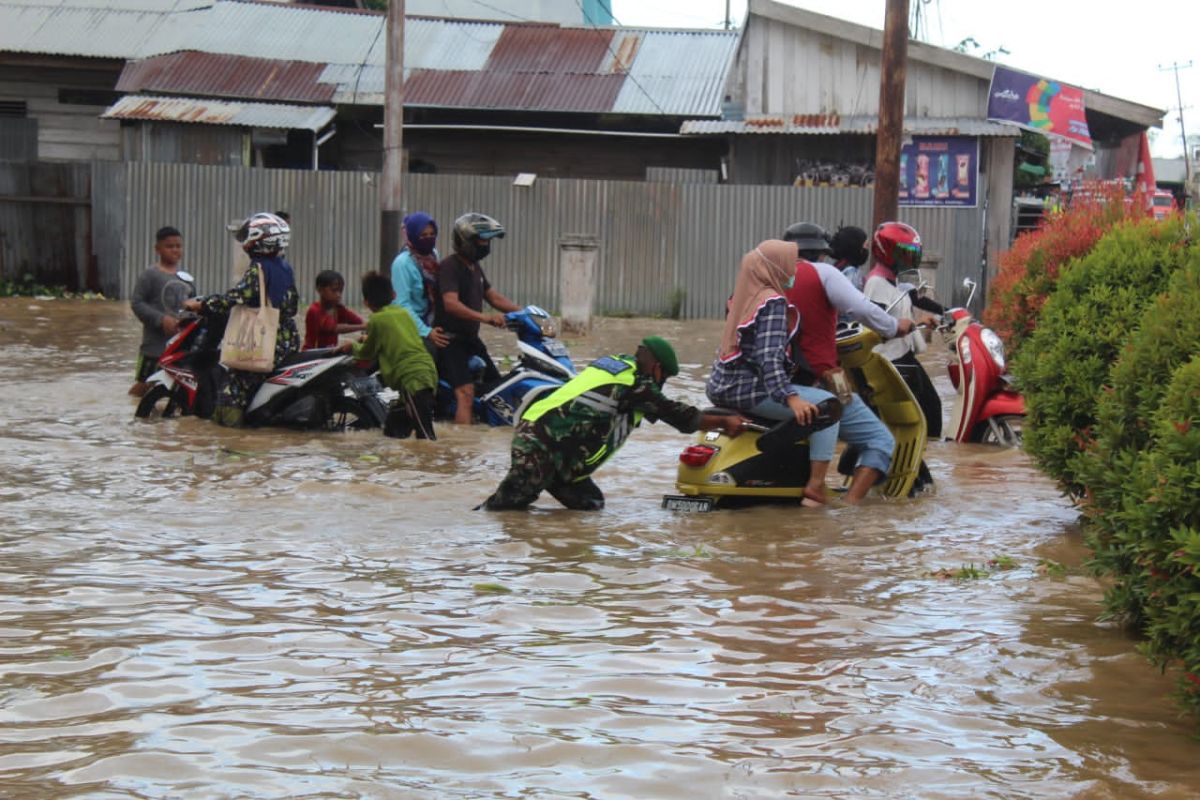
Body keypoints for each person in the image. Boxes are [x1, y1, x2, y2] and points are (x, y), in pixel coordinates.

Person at [481, 337, 748, 511]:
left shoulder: (619, 366)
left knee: (589, 504)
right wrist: (724, 422)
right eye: (663, 376)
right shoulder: (635, 386)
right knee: (504, 511)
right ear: (655, 367)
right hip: (540, 445)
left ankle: (558, 548)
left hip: (559, 452)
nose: (660, 383)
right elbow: (680, 417)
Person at [782, 221, 917, 504]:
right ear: (821, 253)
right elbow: (860, 308)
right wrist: (895, 327)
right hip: (818, 376)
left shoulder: (772, 274)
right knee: (879, 438)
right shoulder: (825, 273)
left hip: (766, 380)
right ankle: (850, 508)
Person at [705, 240, 836, 508]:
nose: (794, 271)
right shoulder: (772, 302)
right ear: (776, 267)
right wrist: (790, 397)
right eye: (791, 264)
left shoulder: (741, 295)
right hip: (750, 390)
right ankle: (815, 486)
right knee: (827, 407)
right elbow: (769, 358)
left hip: (721, 386)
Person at [183, 212, 299, 428]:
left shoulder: (258, 268)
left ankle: (231, 440)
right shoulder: (285, 267)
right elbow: (291, 306)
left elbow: (236, 297)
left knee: (233, 387)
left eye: (248, 235)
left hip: (265, 343)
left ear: (257, 240)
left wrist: (204, 304)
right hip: (287, 339)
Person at [434, 212, 522, 425]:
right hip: (450, 341)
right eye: (482, 240)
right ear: (466, 241)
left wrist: (526, 312)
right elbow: (451, 304)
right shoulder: (450, 266)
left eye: (488, 240)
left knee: (498, 389)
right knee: (466, 393)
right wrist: (486, 318)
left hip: (471, 340)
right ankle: (463, 449)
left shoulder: (475, 268)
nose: (486, 245)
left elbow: (493, 296)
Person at [861, 221, 944, 438]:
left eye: (912, 252)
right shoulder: (876, 284)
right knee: (927, 411)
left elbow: (897, 316)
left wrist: (923, 320)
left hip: (902, 355)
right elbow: (877, 327)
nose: (909, 258)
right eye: (904, 253)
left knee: (930, 408)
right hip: (891, 362)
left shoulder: (893, 282)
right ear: (886, 252)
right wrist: (916, 323)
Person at [337, 272, 438, 440]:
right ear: (393, 295)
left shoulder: (377, 320)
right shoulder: (403, 313)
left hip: (412, 380)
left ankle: (431, 464)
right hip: (427, 372)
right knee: (392, 430)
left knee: (426, 438)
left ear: (366, 302)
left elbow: (367, 352)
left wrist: (351, 346)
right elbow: (397, 338)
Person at [129, 226, 196, 397]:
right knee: (144, 384)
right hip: (154, 345)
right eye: (169, 246)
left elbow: (194, 306)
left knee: (174, 385)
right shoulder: (150, 275)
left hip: (179, 345)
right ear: (157, 249)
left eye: (178, 246)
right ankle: (132, 410)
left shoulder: (185, 278)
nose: (175, 250)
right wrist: (161, 320)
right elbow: (137, 303)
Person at [390, 211, 449, 354]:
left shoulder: (432, 255)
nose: (428, 238)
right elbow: (402, 305)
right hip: (413, 327)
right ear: (412, 236)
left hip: (433, 321)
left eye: (432, 234)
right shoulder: (402, 263)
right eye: (423, 235)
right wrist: (427, 332)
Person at [303, 270, 365, 350]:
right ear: (320, 289)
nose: (338, 295)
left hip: (328, 353)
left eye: (340, 291)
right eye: (334, 290)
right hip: (312, 354)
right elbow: (333, 328)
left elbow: (358, 321)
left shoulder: (338, 308)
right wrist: (363, 326)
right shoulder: (314, 310)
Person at [829, 224, 870, 291]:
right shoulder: (851, 273)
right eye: (866, 246)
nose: (867, 250)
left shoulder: (837, 267)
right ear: (855, 247)